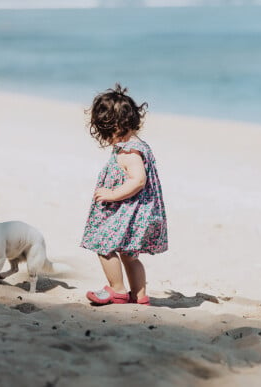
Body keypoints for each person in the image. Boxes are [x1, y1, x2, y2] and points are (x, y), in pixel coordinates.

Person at [81, 84, 168, 306]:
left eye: (107, 132)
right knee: (130, 255)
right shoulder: (137, 144)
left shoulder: (129, 152)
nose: (107, 138)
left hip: (129, 211)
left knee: (103, 244)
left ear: (118, 126)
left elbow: (138, 180)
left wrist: (112, 194)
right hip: (137, 212)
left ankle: (117, 290)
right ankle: (140, 296)